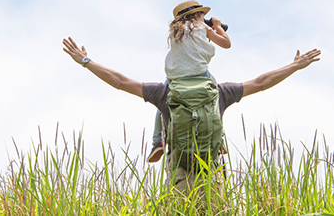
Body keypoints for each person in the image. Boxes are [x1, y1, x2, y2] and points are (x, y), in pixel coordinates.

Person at [62, 36, 321, 188]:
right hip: (212, 171)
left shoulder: (164, 92)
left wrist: (86, 61)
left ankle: (157, 143)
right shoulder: (220, 92)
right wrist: (294, 66)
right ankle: (220, 145)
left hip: (179, 172)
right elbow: (262, 82)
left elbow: (120, 82)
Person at [148, 0, 232, 163]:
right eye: (203, 15)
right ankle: (220, 137)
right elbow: (226, 44)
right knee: (216, 99)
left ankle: (157, 141)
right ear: (195, 15)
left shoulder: (175, 32)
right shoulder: (203, 27)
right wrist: (217, 26)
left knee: (162, 101)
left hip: (175, 77)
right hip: (199, 74)